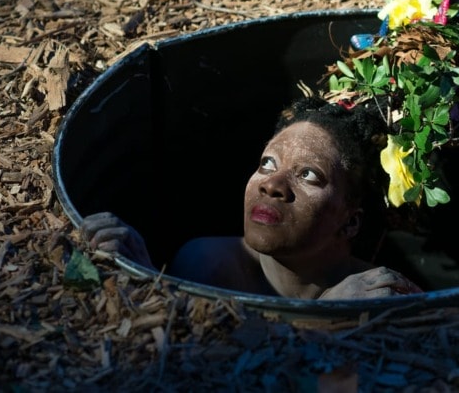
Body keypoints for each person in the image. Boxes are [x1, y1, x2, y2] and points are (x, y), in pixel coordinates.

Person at [80, 97, 423, 300]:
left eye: (308, 175)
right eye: (266, 164)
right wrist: (147, 281)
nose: (271, 184)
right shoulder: (209, 266)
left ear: (350, 221)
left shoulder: (378, 292)